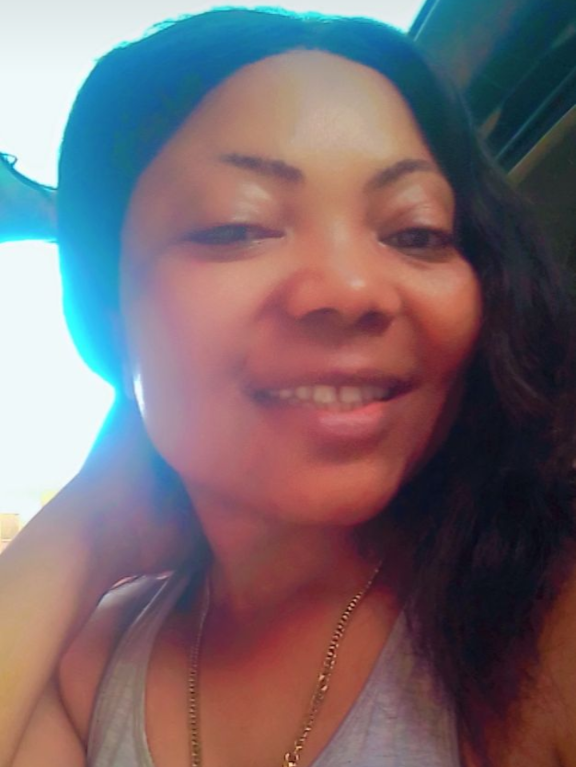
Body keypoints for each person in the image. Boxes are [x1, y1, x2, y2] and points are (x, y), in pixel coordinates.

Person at [1, 7, 576, 767]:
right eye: (237, 227)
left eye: (417, 233)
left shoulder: (546, 624)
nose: (352, 288)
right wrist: (84, 526)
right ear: (108, 316)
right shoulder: (85, 659)